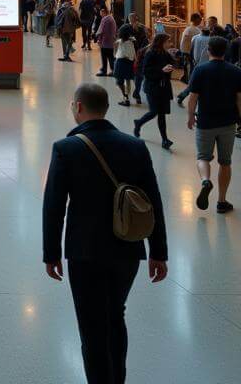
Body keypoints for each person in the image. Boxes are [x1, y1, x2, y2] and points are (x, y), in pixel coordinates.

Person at [42, 82, 168, 384]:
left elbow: (54, 206)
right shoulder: (135, 147)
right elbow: (153, 201)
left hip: (84, 251)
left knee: (91, 326)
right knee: (115, 316)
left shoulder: (66, 148)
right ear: (107, 109)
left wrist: (51, 254)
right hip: (127, 247)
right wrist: (158, 252)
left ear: (78, 107)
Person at [186, 35, 241, 213]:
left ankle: (205, 181)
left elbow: (192, 97)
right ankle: (222, 201)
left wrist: (190, 117)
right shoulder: (235, 71)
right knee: (225, 162)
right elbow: (239, 99)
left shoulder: (200, 70)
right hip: (227, 122)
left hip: (205, 121)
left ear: (208, 50)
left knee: (203, 157)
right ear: (225, 51)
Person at [133, 32, 175, 150]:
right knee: (154, 111)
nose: (170, 44)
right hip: (153, 88)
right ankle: (139, 123)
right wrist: (162, 70)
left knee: (161, 114)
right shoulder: (150, 53)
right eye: (168, 41)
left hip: (164, 87)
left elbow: (173, 64)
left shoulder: (165, 53)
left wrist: (174, 58)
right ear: (161, 42)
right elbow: (146, 71)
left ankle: (165, 139)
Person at [112, 25, 136, 107]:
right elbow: (133, 54)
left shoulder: (119, 42)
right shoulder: (131, 41)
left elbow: (115, 54)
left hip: (120, 62)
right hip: (129, 62)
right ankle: (127, 97)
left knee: (119, 81)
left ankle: (125, 97)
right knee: (127, 80)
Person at [179, 12, 203, 80]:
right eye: (200, 19)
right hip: (188, 51)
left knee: (188, 67)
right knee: (189, 68)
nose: (201, 20)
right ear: (195, 19)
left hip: (187, 51)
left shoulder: (190, 28)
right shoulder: (192, 29)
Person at [95, 6, 117, 76]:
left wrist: (99, 39)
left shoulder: (105, 19)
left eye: (100, 12)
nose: (100, 14)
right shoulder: (111, 18)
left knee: (104, 56)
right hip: (111, 41)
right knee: (110, 56)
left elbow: (102, 31)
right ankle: (113, 70)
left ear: (103, 12)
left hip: (105, 41)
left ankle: (104, 70)